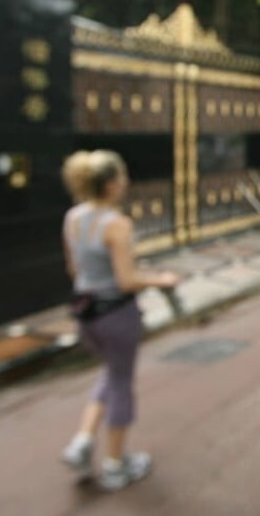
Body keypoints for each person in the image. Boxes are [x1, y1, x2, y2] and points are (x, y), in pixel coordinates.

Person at [58, 150, 179, 491]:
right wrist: (162, 280)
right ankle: (115, 464)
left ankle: (83, 441)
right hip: (116, 314)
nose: (126, 183)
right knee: (122, 382)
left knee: (111, 372)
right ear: (111, 184)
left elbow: (73, 269)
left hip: (85, 312)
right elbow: (126, 280)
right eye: (122, 178)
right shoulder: (117, 225)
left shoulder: (73, 218)